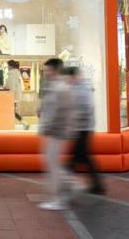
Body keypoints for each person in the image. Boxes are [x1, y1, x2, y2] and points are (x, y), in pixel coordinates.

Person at [62, 66, 105, 195]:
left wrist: (74, 120)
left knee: (81, 157)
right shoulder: (79, 87)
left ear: (73, 76)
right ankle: (96, 185)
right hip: (81, 128)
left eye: (68, 78)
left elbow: (85, 108)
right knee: (81, 157)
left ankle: (65, 184)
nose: (67, 81)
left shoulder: (82, 88)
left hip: (83, 128)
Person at [38, 58, 73, 211]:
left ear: (55, 70)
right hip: (53, 131)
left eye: (48, 70)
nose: (45, 73)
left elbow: (62, 112)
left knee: (52, 164)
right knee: (52, 163)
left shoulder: (61, 87)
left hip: (56, 132)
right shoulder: (54, 86)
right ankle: (69, 187)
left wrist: (49, 127)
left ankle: (58, 199)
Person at [5, 60, 29, 130]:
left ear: (11, 66)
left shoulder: (12, 75)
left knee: (12, 112)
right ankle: (23, 123)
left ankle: (24, 123)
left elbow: (11, 87)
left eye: (8, 66)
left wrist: (7, 92)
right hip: (16, 96)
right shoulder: (16, 74)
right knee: (12, 112)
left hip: (12, 97)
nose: (7, 67)